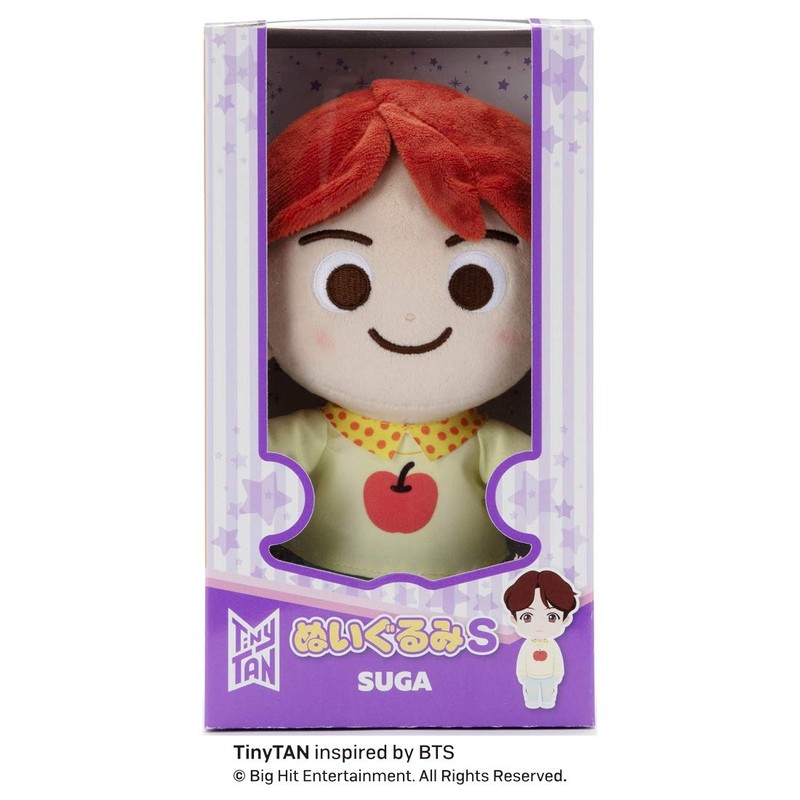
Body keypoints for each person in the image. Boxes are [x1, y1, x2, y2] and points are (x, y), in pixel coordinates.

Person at [266, 79, 532, 580]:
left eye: (473, 286)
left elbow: (547, 486)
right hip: (312, 587)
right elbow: (242, 466)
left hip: (476, 589)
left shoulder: (487, 446)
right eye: (346, 286)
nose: (410, 318)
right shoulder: (315, 437)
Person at [504, 570, 579, 709]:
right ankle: (531, 703)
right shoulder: (528, 645)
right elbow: (522, 660)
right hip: (530, 677)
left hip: (549, 677)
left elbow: (557, 660)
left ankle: (548, 703)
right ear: (514, 619)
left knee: (548, 693)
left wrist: (558, 675)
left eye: (552, 617)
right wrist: (522, 675)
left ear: (565, 619)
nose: (539, 625)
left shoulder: (552, 645)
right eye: (527, 617)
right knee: (531, 693)